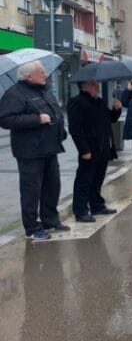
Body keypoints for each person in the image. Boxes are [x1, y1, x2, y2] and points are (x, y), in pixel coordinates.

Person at [0, 61, 69, 240]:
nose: (45, 74)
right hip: (30, 152)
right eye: (41, 72)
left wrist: (61, 131)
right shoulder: (15, 94)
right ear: (28, 76)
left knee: (52, 187)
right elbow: (6, 120)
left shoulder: (44, 91)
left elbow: (55, 114)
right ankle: (32, 227)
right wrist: (36, 119)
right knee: (31, 191)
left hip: (50, 148)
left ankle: (50, 220)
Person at [67, 80, 122, 222]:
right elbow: (75, 129)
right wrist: (83, 150)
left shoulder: (100, 101)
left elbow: (110, 119)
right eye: (93, 84)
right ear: (85, 86)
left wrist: (116, 109)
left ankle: (97, 205)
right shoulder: (77, 102)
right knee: (84, 180)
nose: (97, 85)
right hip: (89, 149)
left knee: (98, 179)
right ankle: (80, 210)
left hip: (103, 148)